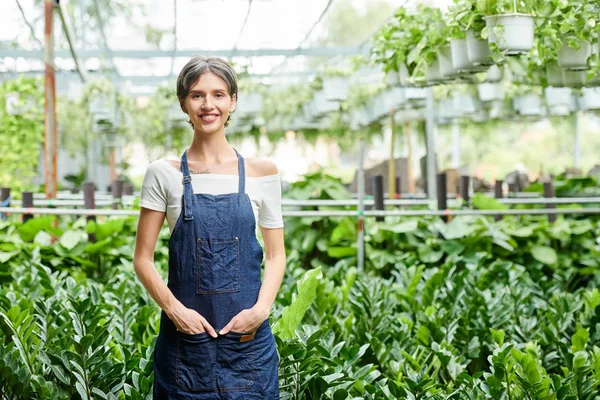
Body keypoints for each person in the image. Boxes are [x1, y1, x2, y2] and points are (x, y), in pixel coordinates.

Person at [133, 56, 286, 399]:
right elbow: (142, 258)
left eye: (218, 94)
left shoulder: (262, 172)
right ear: (184, 104)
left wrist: (261, 310)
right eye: (197, 95)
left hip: (248, 341)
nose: (208, 104)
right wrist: (175, 311)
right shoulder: (163, 172)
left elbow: (276, 255)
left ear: (233, 101)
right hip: (185, 343)